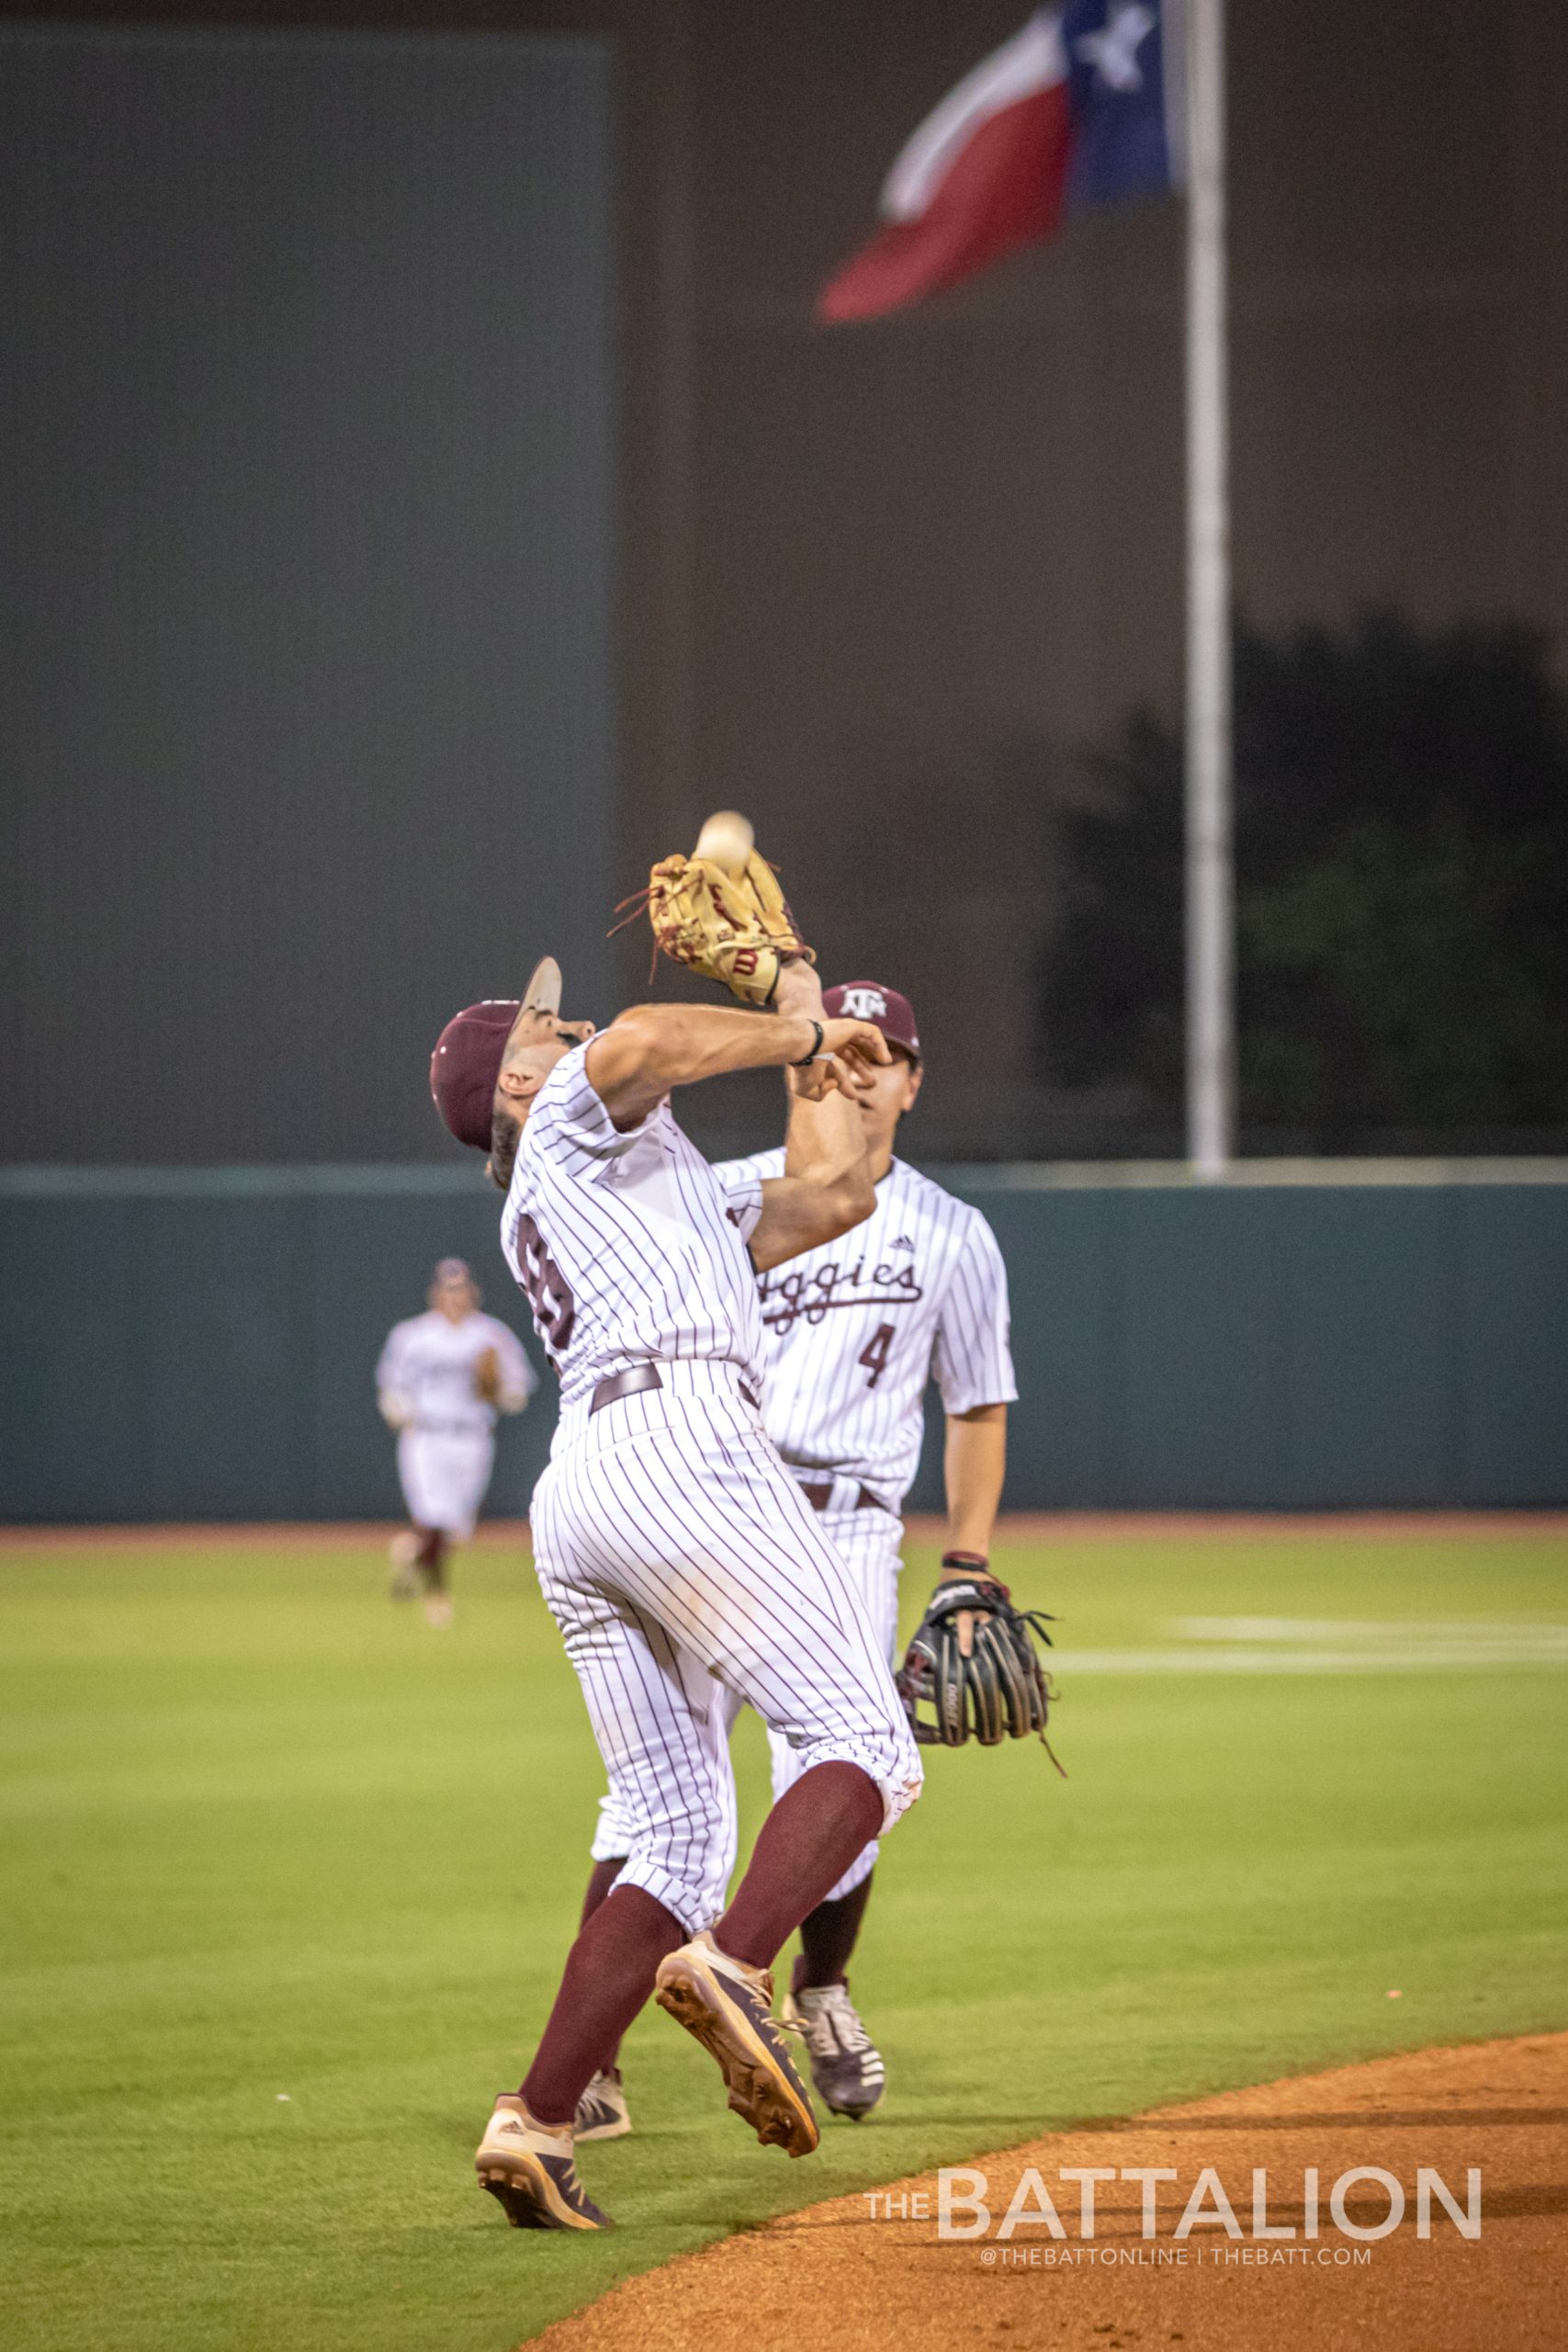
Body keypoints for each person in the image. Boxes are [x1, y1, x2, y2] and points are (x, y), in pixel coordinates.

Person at [428, 955, 923, 2231]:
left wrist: (809, 1013)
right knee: (867, 1741)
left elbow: (832, 1190)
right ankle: (737, 1966)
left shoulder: (642, 1181)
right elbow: (648, 1037)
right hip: (680, 1437)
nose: (569, 1019)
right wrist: (786, 1025)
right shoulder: (571, 1127)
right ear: (520, 1081)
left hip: (587, 1488)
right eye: (543, 1022)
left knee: (674, 1833)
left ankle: (533, 2123)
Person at [571, 981, 1015, 2141]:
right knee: (660, 1793)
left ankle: (819, 1991)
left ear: (914, 1081)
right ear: (800, 1062)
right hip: (715, 1494)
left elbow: (977, 1406)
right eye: (846, 1047)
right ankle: (598, 2060)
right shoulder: (730, 1194)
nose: (864, 1070)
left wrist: (967, 1555)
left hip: (856, 1517)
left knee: (845, 1785)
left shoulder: (955, 1231)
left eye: (889, 1055)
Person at [376, 1258, 536, 1627]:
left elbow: (518, 1390)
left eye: (462, 1287)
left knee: (456, 1532)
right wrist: (400, 1410)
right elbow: (392, 1390)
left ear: (473, 1292)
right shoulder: (412, 1335)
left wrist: (496, 1388)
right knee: (432, 1517)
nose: (456, 1295)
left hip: (472, 1437)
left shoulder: (491, 1335)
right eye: (449, 1288)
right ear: (436, 1293)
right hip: (428, 1436)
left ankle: (412, 1553)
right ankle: (437, 1599)